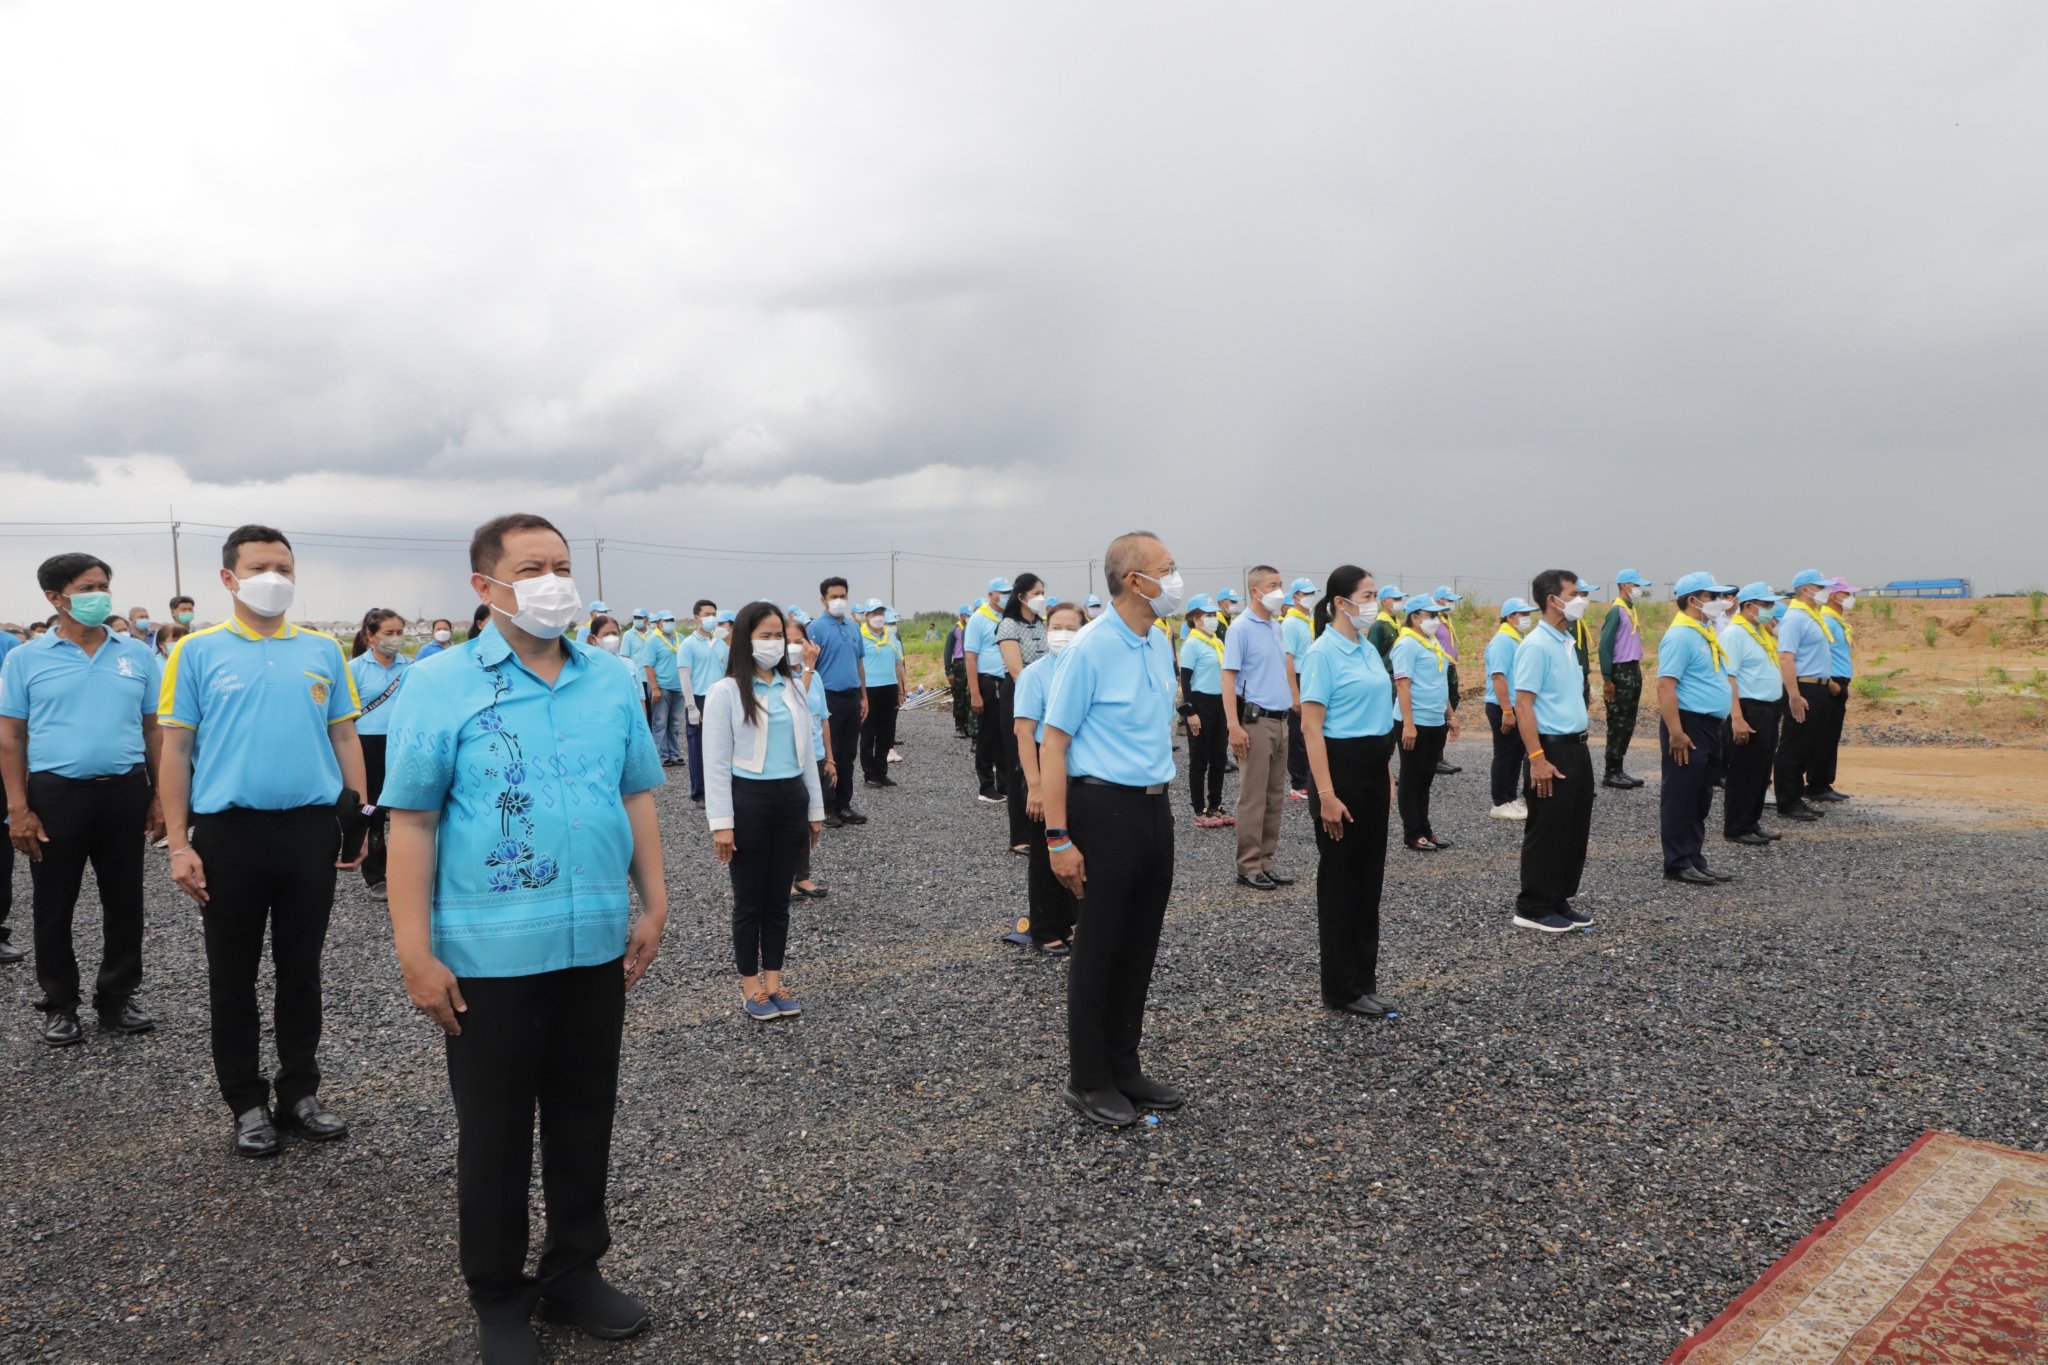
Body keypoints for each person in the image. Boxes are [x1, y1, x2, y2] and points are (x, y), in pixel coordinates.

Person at [379, 513, 669, 1363]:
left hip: (593, 947)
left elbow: (638, 794)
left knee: (585, 1116)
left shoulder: (611, 679)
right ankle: (498, 1293)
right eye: (532, 567)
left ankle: (574, 1270)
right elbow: (413, 821)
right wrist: (412, 951)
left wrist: (653, 902)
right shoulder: (440, 685)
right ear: (484, 587)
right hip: (487, 957)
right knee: (497, 1130)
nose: (553, 581)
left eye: (562, 565)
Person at [158, 524, 368, 1157]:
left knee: (301, 971)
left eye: (284, 565)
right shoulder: (194, 652)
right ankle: (246, 1102)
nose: (273, 577)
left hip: (307, 828)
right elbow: (177, 749)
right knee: (233, 976)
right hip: (229, 834)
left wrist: (356, 814)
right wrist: (177, 843)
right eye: (259, 567)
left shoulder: (323, 650)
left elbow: (345, 737)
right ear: (229, 578)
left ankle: (300, 1091)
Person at [1042, 531, 1184, 1127]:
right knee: (1099, 948)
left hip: (1154, 808)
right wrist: (1058, 837)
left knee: (1140, 944)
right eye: (1167, 569)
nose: (1176, 579)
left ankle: (1124, 1065)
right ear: (1134, 581)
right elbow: (1054, 742)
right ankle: (1088, 1078)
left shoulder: (1157, 641)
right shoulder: (1091, 648)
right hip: (1103, 810)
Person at [0, 552, 166, 1044]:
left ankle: (116, 998)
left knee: (125, 901)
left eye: (105, 586)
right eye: (89, 587)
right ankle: (60, 1004)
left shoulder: (135, 654)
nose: (101, 595)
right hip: (55, 796)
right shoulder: (25, 658)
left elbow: (153, 727)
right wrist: (17, 807)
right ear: (56, 597)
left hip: (124, 792)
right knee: (53, 904)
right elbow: (10, 736)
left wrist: (159, 796)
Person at [705, 602, 825, 1022]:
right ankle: (751, 989)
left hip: (790, 798)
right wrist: (722, 823)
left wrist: (815, 808)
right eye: (766, 635)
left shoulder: (793, 688)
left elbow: (807, 753)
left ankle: (774, 982)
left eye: (779, 635)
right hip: (749, 801)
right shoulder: (726, 691)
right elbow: (715, 762)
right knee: (749, 901)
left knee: (778, 899)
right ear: (744, 639)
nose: (774, 644)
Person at [1298, 565, 1399, 1018]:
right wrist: (1326, 794)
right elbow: (1311, 727)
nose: (1373, 602)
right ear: (1340, 602)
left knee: (1368, 881)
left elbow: (1379, 716)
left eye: (1376, 594)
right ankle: (1340, 989)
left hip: (1373, 771)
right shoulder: (1323, 653)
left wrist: (1387, 772)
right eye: (1367, 594)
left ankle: (1364, 980)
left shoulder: (1368, 648)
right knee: (1341, 883)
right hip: (1340, 774)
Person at [1510, 570, 1596, 934]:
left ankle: (1558, 897)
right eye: (1574, 593)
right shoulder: (1536, 645)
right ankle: (1533, 905)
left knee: (1573, 828)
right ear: (1552, 600)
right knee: (1548, 828)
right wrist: (1536, 758)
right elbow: (1524, 705)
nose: (1581, 599)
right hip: (1551, 750)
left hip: (1577, 746)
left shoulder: (1565, 640)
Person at [1012, 599, 1086, 954]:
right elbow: (1024, 733)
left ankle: (1068, 923)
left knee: (1077, 849)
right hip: (1045, 772)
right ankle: (1044, 929)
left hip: (1081, 775)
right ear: (1045, 631)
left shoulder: (1086, 670)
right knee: (1046, 854)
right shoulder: (1035, 674)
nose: (1063, 634)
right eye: (1057, 627)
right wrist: (1036, 787)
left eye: (1071, 628)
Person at [1658, 573, 1738, 886]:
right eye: (1713, 596)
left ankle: (1694, 857)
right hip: (1688, 725)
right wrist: (1676, 732)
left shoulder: (1703, 630)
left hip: (1709, 725)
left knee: (1700, 795)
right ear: (1694, 600)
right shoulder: (1681, 635)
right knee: (1681, 795)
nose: (1721, 602)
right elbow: (1665, 686)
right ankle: (1677, 862)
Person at [1223, 566, 1299, 892]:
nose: (1279, 591)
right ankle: (1249, 865)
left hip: (1280, 721)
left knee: (1274, 797)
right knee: (1253, 798)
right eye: (1273, 585)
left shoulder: (1276, 626)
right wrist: (1233, 726)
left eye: (1281, 584)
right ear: (1256, 591)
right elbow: (1228, 678)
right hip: (1255, 722)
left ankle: (1266, 862)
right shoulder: (1241, 628)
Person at [347, 609, 411, 901]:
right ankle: (376, 876)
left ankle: (406, 871)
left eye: (399, 632)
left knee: (403, 810)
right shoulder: (355, 669)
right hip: (367, 745)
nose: (395, 638)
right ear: (370, 636)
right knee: (371, 808)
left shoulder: (411, 667)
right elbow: (344, 715)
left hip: (402, 744)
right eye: (389, 633)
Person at [1390, 596, 1460, 852]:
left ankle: (1426, 828)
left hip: (1434, 719)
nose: (1435, 619)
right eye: (1430, 614)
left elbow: (1440, 684)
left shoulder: (1430, 642)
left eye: (1437, 614)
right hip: (1414, 721)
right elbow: (1402, 685)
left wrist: (1450, 716)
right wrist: (1409, 724)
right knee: (1411, 778)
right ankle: (1413, 833)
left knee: (1426, 778)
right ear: (1415, 617)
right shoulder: (1407, 644)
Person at [1721, 583, 1785, 848]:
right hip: (1748, 708)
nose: (1771, 610)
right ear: (1749, 606)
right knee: (1744, 770)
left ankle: (1752, 822)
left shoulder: (1759, 632)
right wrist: (1737, 718)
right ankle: (1737, 826)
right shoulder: (1734, 633)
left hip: (1769, 708)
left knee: (1761, 769)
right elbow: (1729, 678)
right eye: (1766, 605)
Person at [1774, 570, 1835, 824]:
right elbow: (1786, 657)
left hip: (1819, 687)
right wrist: (1794, 695)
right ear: (1804, 589)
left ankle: (1797, 796)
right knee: (1794, 745)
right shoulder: (1795, 619)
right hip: (1804, 688)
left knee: (1808, 744)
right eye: (1819, 586)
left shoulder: (1812, 616)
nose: (1824, 591)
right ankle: (1787, 801)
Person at [810, 577, 869, 828]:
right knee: (828, 754)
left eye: (842, 596)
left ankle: (844, 805)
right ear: (823, 600)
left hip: (851, 697)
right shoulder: (816, 628)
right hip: (828, 698)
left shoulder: (854, 627)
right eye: (833, 597)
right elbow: (810, 667)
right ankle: (827, 807)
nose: (839, 601)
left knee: (848, 754)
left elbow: (859, 663)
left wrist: (864, 696)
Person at [996, 574, 1050, 849]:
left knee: (1043, 759)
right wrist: (1038, 696)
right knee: (1019, 762)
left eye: (1043, 591)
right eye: (1037, 592)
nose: (1042, 597)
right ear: (1022, 597)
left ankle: (1043, 825)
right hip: (1019, 696)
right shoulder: (1008, 625)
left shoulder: (1044, 624)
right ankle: (1020, 837)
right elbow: (1017, 670)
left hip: (1046, 697)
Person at [784, 614, 833, 901]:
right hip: (790, 758)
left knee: (810, 819)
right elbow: (795, 701)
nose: (793, 647)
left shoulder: (815, 675)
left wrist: (830, 758)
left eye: (797, 641)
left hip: (814, 754)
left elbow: (823, 718)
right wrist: (810, 667)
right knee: (790, 821)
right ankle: (785, 878)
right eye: (786, 641)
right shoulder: (777, 677)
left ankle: (803, 876)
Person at [1177, 594, 1230, 828]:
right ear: (1195, 619)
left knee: (1219, 757)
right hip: (1200, 703)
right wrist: (1190, 712)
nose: (1212, 619)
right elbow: (1185, 681)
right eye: (1207, 615)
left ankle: (1216, 804)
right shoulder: (1192, 644)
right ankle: (1200, 809)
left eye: (1213, 615)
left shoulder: (1217, 643)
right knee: (1200, 759)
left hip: (1219, 703)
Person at [1598, 570, 1653, 789]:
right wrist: (1607, 679)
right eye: (1635, 584)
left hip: (1633, 669)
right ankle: (1610, 771)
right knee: (1617, 721)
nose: (1639, 588)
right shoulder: (1616, 611)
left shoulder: (1630, 608)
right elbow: (1605, 646)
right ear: (1623, 585)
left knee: (1628, 722)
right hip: (1619, 671)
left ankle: (1619, 768)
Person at [1484, 598, 1536, 821]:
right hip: (1502, 706)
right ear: (1510, 617)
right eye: (1522, 614)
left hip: (1515, 706)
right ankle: (1499, 802)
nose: (1526, 618)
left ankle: (1510, 797)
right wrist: (1507, 710)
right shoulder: (1503, 641)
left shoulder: (1516, 638)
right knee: (1505, 754)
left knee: (1515, 755)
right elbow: (1498, 676)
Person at [963, 577, 1012, 803]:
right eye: (1002, 592)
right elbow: (971, 657)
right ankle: (985, 786)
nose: (1006, 595)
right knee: (987, 736)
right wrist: (975, 693)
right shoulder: (979, 618)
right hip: (987, 682)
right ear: (992, 593)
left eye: (1009, 591)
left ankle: (1004, 783)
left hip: (1006, 682)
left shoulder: (1007, 617)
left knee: (1005, 734)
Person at [1811, 578, 1859, 804]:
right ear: (1834, 596)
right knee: (1824, 735)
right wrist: (1830, 683)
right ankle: (1817, 784)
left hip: (1840, 682)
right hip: (1833, 683)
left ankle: (1823, 782)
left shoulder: (1838, 621)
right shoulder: (1827, 621)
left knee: (1831, 735)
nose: (1851, 599)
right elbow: (1821, 655)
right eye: (1847, 594)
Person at [859, 602, 907, 788]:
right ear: (867, 615)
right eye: (874, 613)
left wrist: (901, 689)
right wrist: (860, 694)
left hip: (889, 688)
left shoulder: (891, 636)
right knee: (868, 734)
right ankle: (869, 774)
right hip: (869, 689)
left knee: (886, 734)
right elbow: (857, 665)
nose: (878, 616)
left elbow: (898, 664)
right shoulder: (860, 636)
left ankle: (881, 772)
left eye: (881, 612)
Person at [676, 601, 720, 792]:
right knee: (697, 748)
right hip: (699, 700)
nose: (711, 618)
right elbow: (685, 677)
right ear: (697, 618)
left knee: (720, 746)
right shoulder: (688, 644)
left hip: (718, 699)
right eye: (707, 614)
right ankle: (699, 792)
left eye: (714, 614)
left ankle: (718, 789)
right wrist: (691, 706)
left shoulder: (720, 644)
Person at [1280, 576, 1318, 799]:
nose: (1311, 598)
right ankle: (1298, 783)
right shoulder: (1291, 623)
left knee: (1311, 731)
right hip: (1299, 678)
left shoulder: (1308, 621)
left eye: (1313, 593)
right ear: (1295, 597)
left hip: (1312, 678)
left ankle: (1310, 776)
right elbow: (1288, 660)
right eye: (1307, 594)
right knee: (1298, 733)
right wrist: (1295, 693)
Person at [1427, 586, 1466, 776]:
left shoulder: (1446, 619)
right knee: (1442, 708)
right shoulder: (1432, 622)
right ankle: (1434, 757)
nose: (1452, 604)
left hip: (1451, 666)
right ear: (1439, 600)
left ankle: (1438, 756)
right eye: (1448, 600)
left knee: (1452, 702)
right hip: (1441, 667)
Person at [645, 609, 686, 768]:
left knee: (674, 723)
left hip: (679, 687)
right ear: (659, 623)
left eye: (671, 620)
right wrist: (654, 688)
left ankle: (674, 755)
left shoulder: (680, 638)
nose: (670, 623)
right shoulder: (653, 640)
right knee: (660, 722)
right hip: (662, 687)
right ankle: (660, 756)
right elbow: (649, 666)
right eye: (666, 620)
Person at [944, 605, 973, 739]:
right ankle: (959, 726)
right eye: (966, 615)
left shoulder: (972, 628)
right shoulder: (954, 630)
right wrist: (948, 671)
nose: (968, 618)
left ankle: (968, 725)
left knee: (969, 697)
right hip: (959, 665)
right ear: (961, 616)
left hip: (970, 663)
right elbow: (947, 652)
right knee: (959, 696)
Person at [1365, 586, 1407, 665]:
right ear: (1384, 601)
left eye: (1400, 599)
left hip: (1398, 672)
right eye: (1396, 599)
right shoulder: (1379, 625)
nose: (1400, 601)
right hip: (1386, 673)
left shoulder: (1397, 623)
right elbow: (1372, 655)